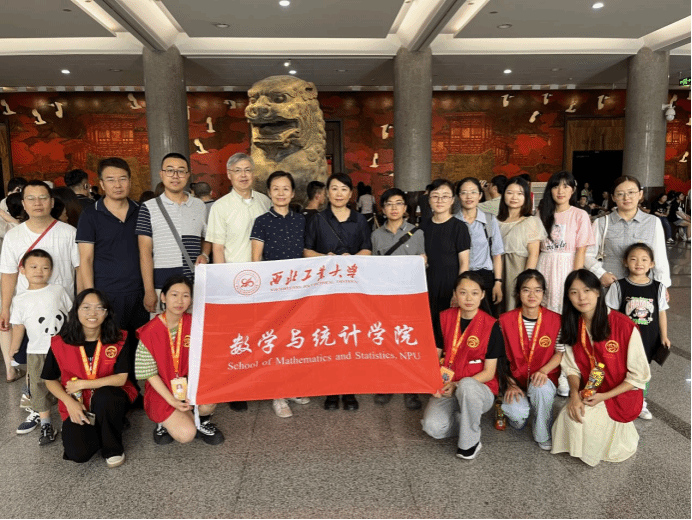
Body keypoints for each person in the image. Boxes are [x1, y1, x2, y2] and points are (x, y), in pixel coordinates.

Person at [551, 270, 651, 467]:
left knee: (584, 421)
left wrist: (604, 397)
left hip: (620, 394)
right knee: (569, 417)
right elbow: (571, 367)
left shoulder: (623, 326)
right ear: (568, 297)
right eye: (574, 292)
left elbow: (639, 376)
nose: (581, 297)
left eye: (587, 290)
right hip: (590, 391)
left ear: (598, 291)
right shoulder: (572, 324)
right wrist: (574, 394)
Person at [42, 289, 139, 467]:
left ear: (106, 313)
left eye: (99, 308)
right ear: (76, 311)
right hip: (77, 401)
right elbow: (49, 379)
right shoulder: (60, 342)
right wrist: (69, 402)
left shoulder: (119, 338)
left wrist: (83, 384)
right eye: (86, 307)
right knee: (78, 453)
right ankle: (102, 427)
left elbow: (121, 378)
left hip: (110, 396)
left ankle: (113, 448)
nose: (92, 313)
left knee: (105, 397)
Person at [77, 157, 149, 393]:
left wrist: (149, 290)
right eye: (111, 180)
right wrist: (91, 297)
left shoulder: (142, 210)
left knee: (137, 346)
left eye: (122, 179)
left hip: (138, 292)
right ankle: (115, 396)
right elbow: (85, 259)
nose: (117, 185)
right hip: (107, 294)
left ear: (130, 181)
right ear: (101, 183)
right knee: (111, 347)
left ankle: (134, 392)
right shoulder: (90, 214)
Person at [206, 152, 270, 412]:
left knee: (262, 333)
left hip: (264, 281)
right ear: (229, 174)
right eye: (238, 170)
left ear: (254, 173)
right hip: (234, 282)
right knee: (237, 338)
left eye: (247, 170)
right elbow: (217, 248)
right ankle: (237, 388)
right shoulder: (220, 207)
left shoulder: (265, 201)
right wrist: (223, 285)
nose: (243, 175)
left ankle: (261, 382)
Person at [304, 173, 372, 411]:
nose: (339, 193)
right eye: (334, 189)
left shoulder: (360, 220)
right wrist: (327, 259)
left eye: (344, 189)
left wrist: (350, 260)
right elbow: (307, 251)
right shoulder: (317, 219)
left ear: (351, 193)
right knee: (328, 337)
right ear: (327, 193)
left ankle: (350, 389)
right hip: (325, 288)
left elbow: (367, 250)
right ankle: (331, 390)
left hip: (352, 287)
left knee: (350, 336)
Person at [421, 272, 504, 460]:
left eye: (474, 293)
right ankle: (466, 420)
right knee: (432, 427)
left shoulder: (491, 326)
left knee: (467, 385)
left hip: (479, 390)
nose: (468, 298)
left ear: (482, 295)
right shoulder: (443, 318)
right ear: (455, 294)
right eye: (463, 292)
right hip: (447, 386)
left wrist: (457, 384)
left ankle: (470, 443)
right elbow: (434, 357)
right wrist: (434, 383)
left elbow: (489, 372)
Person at [135, 275, 224, 445]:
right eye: (174, 294)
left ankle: (202, 421)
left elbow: (208, 359)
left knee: (210, 399)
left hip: (190, 383)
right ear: (163, 297)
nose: (179, 301)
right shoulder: (149, 332)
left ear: (191, 299)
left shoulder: (196, 324)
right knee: (186, 434)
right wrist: (172, 401)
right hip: (163, 389)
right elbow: (149, 374)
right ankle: (164, 422)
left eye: (185, 295)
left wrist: (195, 388)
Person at [249, 171, 311, 418]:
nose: (281, 193)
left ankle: (292, 387)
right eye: (276, 188)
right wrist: (261, 292)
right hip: (272, 291)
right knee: (275, 342)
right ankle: (278, 394)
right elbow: (256, 258)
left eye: (286, 188)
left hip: (298, 290)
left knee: (295, 340)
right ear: (269, 193)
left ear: (293, 193)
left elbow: (306, 252)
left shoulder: (301, 220)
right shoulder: (262, 221)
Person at [0, 181, 81, 344]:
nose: (37, 203)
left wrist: (81, 304)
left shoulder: (70, 233)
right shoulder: (13, 236)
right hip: (27, 316)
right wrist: (5, 308)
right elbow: (9, 274)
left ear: (52, 202)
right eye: (31, 198)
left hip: (62, 312)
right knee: (29, 356)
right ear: (24, 204)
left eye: (43, 198)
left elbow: (80, 270)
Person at [370, 187, 426, 410]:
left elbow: (422, 265)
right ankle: (386, 384)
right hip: (385, 297)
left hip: (410, 296)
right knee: (387, 341)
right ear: (383, 209)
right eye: (389, 204)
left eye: (399, 203)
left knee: (409, 341)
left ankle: (411, 388)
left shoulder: (417, 233)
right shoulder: (376, 235)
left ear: (405, 208)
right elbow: (372, 267)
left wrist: (424, 262)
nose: (394, 208)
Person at [136, 153, 211, 317]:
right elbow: (145, 253)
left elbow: (207, 237)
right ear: (161, 174)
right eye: (170, 170)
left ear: (188, 175)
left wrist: (205, 254)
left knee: (193, 330)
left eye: (181, 171)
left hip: (193, 287)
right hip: (162, 287)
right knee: (163, 330)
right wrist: (149, 290)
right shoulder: (148, 207)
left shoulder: (199, 205)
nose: (175, 176)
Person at [10, 250, 72, 442]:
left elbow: (71, 315)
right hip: (36, 351)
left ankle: (70, 418)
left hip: (62, 349)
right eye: (34, 267)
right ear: (22, 270)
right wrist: (14, 347)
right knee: (38, 386)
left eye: (45, 267)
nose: (39, 271)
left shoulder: (58, 290)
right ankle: (46, 425)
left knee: (67, 382)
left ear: (51, 271)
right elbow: (18, 326)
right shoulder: (19, 299)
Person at [499, 270, 563, 451]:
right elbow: (499, 358)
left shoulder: (556, 320)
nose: (532, 295)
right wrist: (509, 383)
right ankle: (520, 415)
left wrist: (544, 371)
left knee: (541, 389)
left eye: (537, 290)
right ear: (518, 293)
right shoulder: (504, 321)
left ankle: (542, 433)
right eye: (526, 290)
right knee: (516, 415)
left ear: (543, 293)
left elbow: (560, 352)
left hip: (543, 376)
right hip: (515, 379)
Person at [605, 243, 670, 421]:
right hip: (624, 339)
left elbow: (662, 313)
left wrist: (664, 336)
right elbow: (610, 314)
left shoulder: (658, 287)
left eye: (644, 260)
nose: (639, 263)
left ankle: (641, 403)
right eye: (633, 259)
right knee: (622, 370)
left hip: (648, 338)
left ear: (652, 264)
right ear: (625, 262)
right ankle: (620, 400)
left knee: (643, 371)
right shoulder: (618, 286)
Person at [585, 176, 671, 292]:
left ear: (640, 194)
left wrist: (662, 285)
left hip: (643, 287)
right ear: (613, 197)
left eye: (631, 192)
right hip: (610, 286)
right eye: (620, 194)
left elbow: (660, 258)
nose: (626, 198)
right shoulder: (601, 223)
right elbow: (588, 255)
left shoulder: (653, 222)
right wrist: (601, 274)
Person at [420, 179, 470, 352]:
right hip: (426, 285)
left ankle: (445, 362)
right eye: (435, 196)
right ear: (429, 200)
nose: (440, 200)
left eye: (445, 196)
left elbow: (464, 263)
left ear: (452, 200)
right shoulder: (422, 227)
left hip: (449, 285)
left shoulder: (459, 227)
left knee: (447, 327)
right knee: (427, 326)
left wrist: (459, 291)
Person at [536, 170, 594, 314]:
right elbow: (535, 248)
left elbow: (581, 250)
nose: (560, 191)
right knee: (543, 309)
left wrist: (576, 279)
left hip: (567, 267)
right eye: (556, 186)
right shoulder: (541, 213)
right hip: (544, 265)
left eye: (565, 186)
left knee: (566, 309)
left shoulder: (580, 214)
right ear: (550, 190)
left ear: (572, 190)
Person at [455, 177, 504, 315]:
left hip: (484, 278)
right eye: (464, 192)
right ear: (458, 196)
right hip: (460, 276)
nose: (469, 196)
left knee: (486, 319)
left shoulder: (489, 219)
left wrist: (498, 282)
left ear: (480, 195)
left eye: (473, 192)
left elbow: (496, 254)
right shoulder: (453, 222)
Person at [497, 178, 547, 314]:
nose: (514, 197)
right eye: (510, 193)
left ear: (526, 197)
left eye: (519, 194)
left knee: (514, 309)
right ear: (503, 195)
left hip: (518, 271)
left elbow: (533, 254)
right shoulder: (496, 221)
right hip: (497, 272)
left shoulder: (531, 221)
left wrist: (525, 282)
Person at [0, 193, 24, 383]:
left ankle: (10, 369)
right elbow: (18, 229)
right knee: (11, 320)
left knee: (5, 322)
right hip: (10, 276)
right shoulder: (12, 227)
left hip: (5, 276)